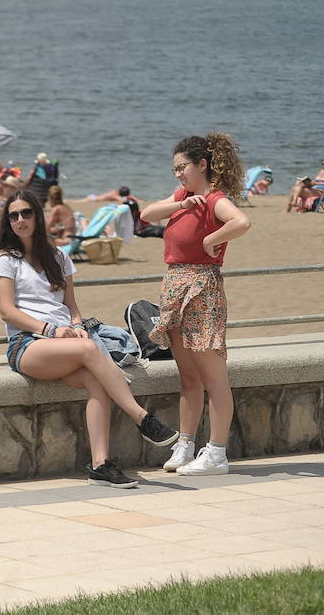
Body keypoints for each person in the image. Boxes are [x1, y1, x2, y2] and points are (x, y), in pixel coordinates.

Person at [0, 192, 179, 489]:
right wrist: (51, 330)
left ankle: (100, 465)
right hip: (27, 345)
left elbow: (72, 306)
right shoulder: (5, 261)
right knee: (89, 348)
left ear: (38, 216)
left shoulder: (58, 257)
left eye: (26, 213)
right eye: (13, 216)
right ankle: (141, 418)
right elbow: (6, 311)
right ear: (7, 221)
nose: (20, 220)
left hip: (65, 343)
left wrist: (75, 326)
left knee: (95, 379)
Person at [140, 133, 251, 476]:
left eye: (182, 167)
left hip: (201, 287)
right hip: (175, 285)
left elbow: (241, 221)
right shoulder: (185, 196)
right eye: (174, 168)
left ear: (201, 165)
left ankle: (217, 452)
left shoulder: (215, 198)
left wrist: (211, 238)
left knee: (212, 375)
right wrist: (181, 204)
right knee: (188, 375)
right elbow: (146, 214)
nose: (177, 174)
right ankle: (185, 444)